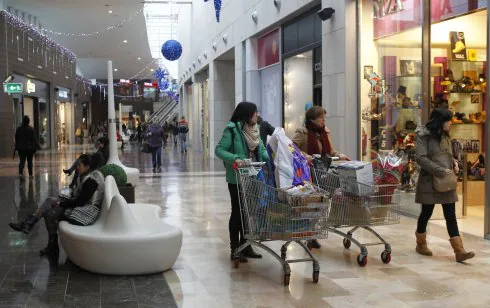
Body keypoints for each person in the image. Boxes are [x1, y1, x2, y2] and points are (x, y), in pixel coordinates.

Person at [9, 153, 105, 260]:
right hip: (81, 207)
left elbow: (80, 202)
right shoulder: (87, 175)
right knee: (50, 200)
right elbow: (78, 198)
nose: (77, 168)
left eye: (79, 165)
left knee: (49, 213)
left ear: (87, 166)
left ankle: (47, 242)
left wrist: (61, 203)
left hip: (86, 213)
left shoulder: (92, 179)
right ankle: (30, 226)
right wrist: (63, 199)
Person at [414, 108, 474, 262]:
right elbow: (420, 158)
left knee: (450, 215)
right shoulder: (423, 135)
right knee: (426, 213)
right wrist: (439, 170)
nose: (451, 123)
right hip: (429, 180)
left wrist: (453, 162)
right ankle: (420, 244)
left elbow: (446, 154)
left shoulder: (445, 135)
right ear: (440, 122)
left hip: (446, 180)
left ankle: (459, 251)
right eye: (448, 120)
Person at [215, 102, 269, 263]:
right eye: (255, 112)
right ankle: (235, 249)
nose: (257, 115)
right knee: (238, 213)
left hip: (254, 178)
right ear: (247, 114)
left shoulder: (255, 129)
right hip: (237, 179)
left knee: (249, 213)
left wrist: (273, 159)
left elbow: (262, 150)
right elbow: (219, 149)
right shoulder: (231, 129)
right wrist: (235, 158)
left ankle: (246, 246)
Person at [292, 106, 349, 249]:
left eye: (324, 117)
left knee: (322, 203)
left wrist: (339, 155)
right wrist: (306, 156)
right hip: (309, 174)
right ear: (312, 119)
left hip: (323, 173)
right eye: (321, 118)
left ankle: (312, 232)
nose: (324, 120)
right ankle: (309, 233)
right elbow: (292, 148)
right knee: (312, 203)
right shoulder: (302, 132)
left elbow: (330, 151)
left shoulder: (325, 132)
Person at [15, 116, 39, 180]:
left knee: (22, 161)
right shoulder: (31, 129)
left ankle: (20, 173)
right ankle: (30, 175)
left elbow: (16, 138)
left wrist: (17, 146)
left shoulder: (19, 129)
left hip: (21, 148)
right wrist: (37, 146)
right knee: (30, 162)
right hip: (29, 149)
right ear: (28, 121)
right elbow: (34, 138)